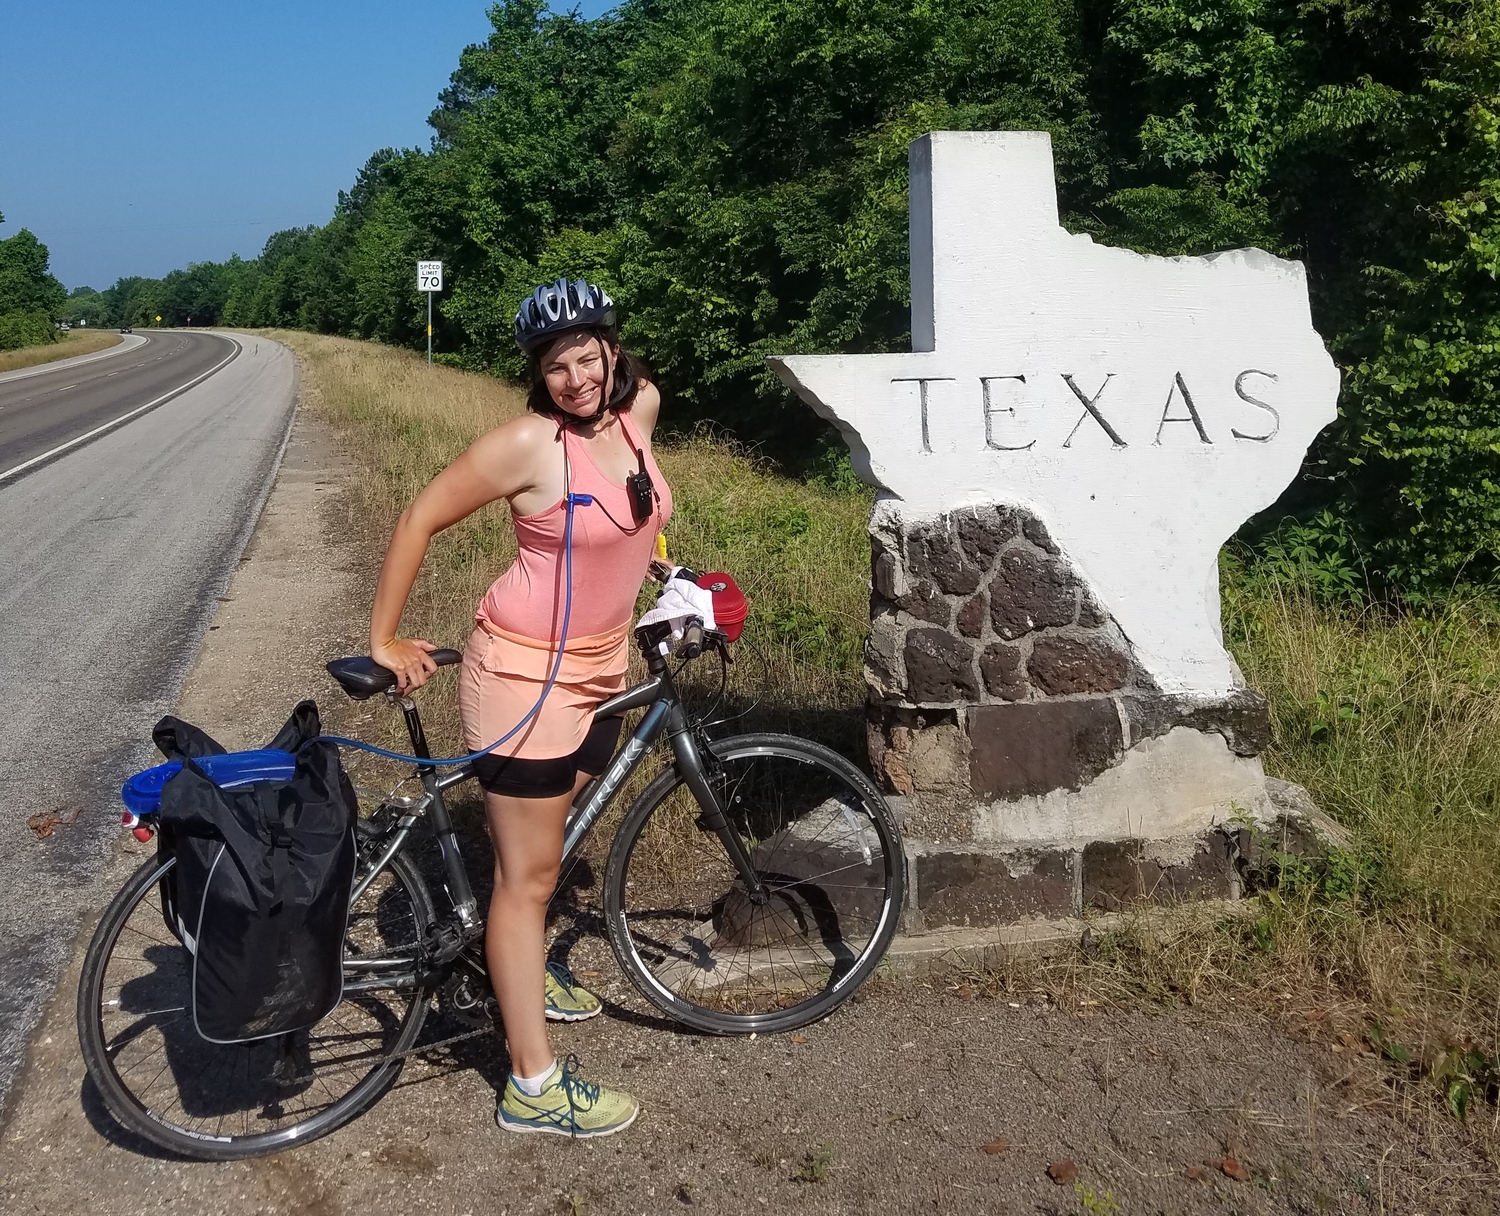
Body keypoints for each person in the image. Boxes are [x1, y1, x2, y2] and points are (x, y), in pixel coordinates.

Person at [367, 277, 671, 1137]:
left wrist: (664, 571)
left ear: (613, 348)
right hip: (525, 677)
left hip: (602, 669)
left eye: (588, 355)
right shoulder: (528, 446)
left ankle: (521, 976)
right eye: (556, 366)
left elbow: (630, 517)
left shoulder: (639, 408)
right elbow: (421, 514)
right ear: (538, 376)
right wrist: (386, 638)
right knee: (529, 882)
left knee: (553, 837)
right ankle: (532, 1087)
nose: (578, 377)